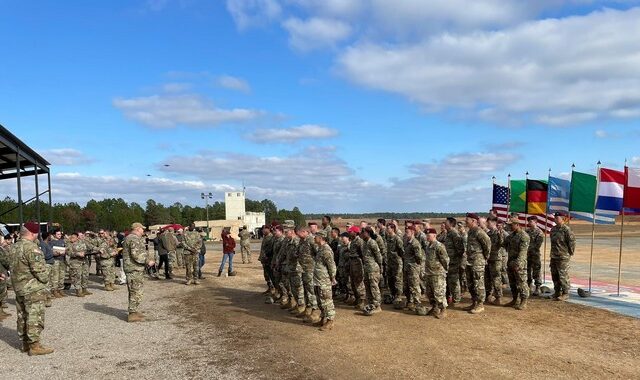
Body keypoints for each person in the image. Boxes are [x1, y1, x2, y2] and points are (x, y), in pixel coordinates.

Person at [10, 222, 53, 355]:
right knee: (34, 316)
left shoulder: (13, 247)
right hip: (32, 288)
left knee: (22, 315)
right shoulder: (32, 249)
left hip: (19, 287)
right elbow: (41, 273)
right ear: (33, 233)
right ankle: (34, 346)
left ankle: (24, 344)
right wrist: (49, 269)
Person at [123, 222, 155, 322]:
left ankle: (134, 310)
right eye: (142, 229)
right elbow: (136, 254)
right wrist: (147, 261)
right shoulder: (133, 238)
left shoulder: (131, 238)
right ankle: (132, 314)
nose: (143, 231)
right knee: (135, 291)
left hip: (135, 269)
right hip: (134, 269)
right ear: (137, 228)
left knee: (136, 290)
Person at [464, 213, 491, 314]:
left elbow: (487, 243)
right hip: (470, 261)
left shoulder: (479, 232)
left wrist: (485, 256)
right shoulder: (470, 231)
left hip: (478, 261)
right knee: (470, 283)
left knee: (478, 283)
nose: (466, 221)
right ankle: (474, 302)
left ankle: (480, 304)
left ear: (474, 221)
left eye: (468, 220)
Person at [504, 216, 530, 310]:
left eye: (511, 225)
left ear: (517, 225)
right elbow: (503, 244)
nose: (509, 227)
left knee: (522, 282)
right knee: (513, 283)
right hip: (510, 262)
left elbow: (523, 252)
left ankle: (524, 301)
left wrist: (518, 264)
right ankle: (515, 299)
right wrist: (500, 233)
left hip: (519, 264)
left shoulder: (524, 236)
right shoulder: (511, 236)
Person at [313, 230, 337, 331]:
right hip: (318, 279)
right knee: (320, 300)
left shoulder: (326, 250)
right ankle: (323, 318)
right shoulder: (320, 248)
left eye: (316, 236)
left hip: (324, 280)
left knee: (326, 300)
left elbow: (331, 265)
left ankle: (330, 321)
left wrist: (333, 278)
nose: (314, 238)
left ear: (322, 238)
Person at [423, 228, 449, 319]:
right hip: (429, 273)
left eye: (429, 236)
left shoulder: (439, 246)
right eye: (426, 235)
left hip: (438, 273)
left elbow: (445, 260)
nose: (427, 237)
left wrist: (444, 271)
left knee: (439, 293)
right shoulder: (428, 246)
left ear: (434, 235)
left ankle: (443, 310)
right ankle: (434, 308)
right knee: (430, 292)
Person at [549, 212, 575, 301]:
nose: (555, 219)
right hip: (554, 255)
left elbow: (571, 243)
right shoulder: (553, 229)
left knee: (563, 275)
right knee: (554, 274)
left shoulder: (566, 230)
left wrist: (568, 254)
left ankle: (565, 293)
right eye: (555, 218)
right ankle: (557, 292)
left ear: (563, 219)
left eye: (557, 218)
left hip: (563, 256)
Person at [295, 226, 319, 322]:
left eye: (299, 234)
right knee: (306, 290)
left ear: (304, 232)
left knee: (311, 291)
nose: (297, 236)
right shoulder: (302, 240)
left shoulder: (312, 240)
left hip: (311, 270)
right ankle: (308, 309)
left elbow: (318, 254)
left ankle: (315, 312)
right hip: (304, 270)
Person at [443, 217, 465, 306]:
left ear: (451, 224)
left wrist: (455, 259)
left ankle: (456, 300)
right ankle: (450, 298)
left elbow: (460, 249)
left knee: (454, 281)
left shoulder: (454, 234)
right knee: (449, 281)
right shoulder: (448, 234)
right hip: (448, 262)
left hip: (454, 262)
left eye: (446, 223)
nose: (444, 224)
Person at [361, 227, 383, 315]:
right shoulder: (364, 243)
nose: (362, 234)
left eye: (363, 232)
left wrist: (380, 267)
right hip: (366, 268)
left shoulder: (372, 243)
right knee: (367, 287)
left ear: (368, 233)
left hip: (373, 269)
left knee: (374, 287)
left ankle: (377, 306)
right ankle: (371, 304)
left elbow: (378, 256)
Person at [403, 225, 424, 312]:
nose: (406, 234)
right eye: (406, 232)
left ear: (412, 232)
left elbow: (419, 257)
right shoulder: (407, 242)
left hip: (413, 268)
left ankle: (417, 303)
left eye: (408, 232)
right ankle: (410, 301)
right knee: (407, 286)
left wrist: (415, 266)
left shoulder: (415, 243)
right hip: (407, 267)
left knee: (414, 286)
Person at [485, 216, 504, 305]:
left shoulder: (498, 233)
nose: (486, 224)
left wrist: (500, 235)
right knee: (487, 278)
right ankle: (488, 296)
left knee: (496, 279)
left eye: (488, 223)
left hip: (496, 259)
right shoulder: (488, 234)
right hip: (489, 259)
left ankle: (498, 297)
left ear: (493, 223)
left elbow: (502, 244)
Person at [66, 232, 91, 297]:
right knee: (77, 276)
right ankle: (78, 291)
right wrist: (77, 254)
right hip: (75, 262)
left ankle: (84, 289)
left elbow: (89, 248)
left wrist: (85, 252)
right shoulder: (69, 244)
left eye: (73, 237)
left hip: (84, 261)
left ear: (77, 238)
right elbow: (68, 253)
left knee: (85, 275)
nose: (72, 239)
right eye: (71, 237)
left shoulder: (82, 242)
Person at [385, 223, 404, 306]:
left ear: (392, 229)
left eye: (388, 228)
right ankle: (392, 294)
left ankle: (398, 296)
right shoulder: (388, 238)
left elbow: (402, 251)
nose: (387, 229)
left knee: (397, 280)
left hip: (396, 262)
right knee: (390, 279)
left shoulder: (397, 239)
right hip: (390, 262)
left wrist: (398, 258)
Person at [347, 226, 366, 310]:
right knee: (353, 282)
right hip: (352, 263)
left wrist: (362, 264)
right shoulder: (353, 241)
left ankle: (362, 300)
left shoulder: (359, 241)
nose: (349, 233)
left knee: (358, 281)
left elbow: (362, 254)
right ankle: (357, 298)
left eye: (350, 231)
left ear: (355, 232)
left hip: (358, 263)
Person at [526, 216, 544, 296]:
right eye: (529, 221)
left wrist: (529, 248)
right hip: (527, 254)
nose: (529, 222)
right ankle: (529, 285)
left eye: (531, 221)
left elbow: (538, 245)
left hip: (535, 254)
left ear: (535, 222)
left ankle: (537, 287)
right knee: (527, 270)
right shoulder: (527, 231)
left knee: (536, 270)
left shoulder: (539, 232)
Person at [39, 232, 54, 307]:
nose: (51, 237)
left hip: (50, 264)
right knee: (46, 283)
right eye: (50, 236)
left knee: (50, 282)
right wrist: (53, 253)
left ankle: (48, 298)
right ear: (48, 236)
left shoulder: (48, 244)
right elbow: (43, 255)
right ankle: (46, 299)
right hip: (46, 264)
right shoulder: (42, 244)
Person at [49, 230, 66, 298]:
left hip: (62, 260)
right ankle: (54, 290)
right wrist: (56, 253)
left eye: (60, 234)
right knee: (55, 276)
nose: (59, 235)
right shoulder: (51, 242)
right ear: (54, 235)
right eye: (58, 234)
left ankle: (61, 289)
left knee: (62, 275)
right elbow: (50, 251)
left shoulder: (62, 241)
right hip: (55, 260)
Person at [259, 226, 275, 293]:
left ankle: (273, 289)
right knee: (266, 275)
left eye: (263, 229)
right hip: (264, 259)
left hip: (268, 260)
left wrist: (266, 257)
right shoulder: (265, 237)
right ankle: (269, 288)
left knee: (270, 275)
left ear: (267, 229)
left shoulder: (271, 237)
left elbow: (270, 250)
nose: (262, 231)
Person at [0, 235, 11, 319]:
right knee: (1, 291)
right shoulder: (1, 250)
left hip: (2, 271)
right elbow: (5, 260)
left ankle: (1, 311)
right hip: (1, 272)